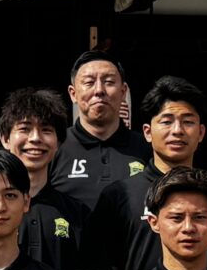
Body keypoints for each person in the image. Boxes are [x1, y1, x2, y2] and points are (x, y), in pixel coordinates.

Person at [97, 76, 207, 270]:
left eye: (188, 122)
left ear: (201, 133)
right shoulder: (119, 196)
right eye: (166, 121)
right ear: (147, 132)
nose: (177, 130)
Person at [0, 86, 90, 270]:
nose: (35, 138)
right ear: (5, 139)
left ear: (58, 143)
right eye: (25, 129)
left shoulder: (77, 214)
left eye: (46, 130)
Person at [48, 50, 145, 228]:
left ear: (123, 91)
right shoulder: (54, 147)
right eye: (89, 82)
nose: (99, 90)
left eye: (109, 82)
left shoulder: (147, 148)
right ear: (73, 93)